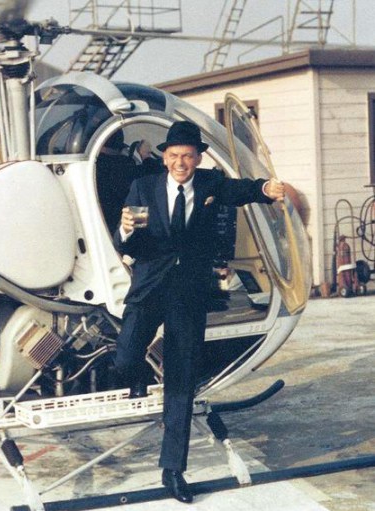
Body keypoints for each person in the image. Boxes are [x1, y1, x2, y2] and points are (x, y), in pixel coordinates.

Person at [113, 121, 284, 503]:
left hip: (188, 294)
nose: (180, 163)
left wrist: (265, 189)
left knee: (181, 382)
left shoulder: (209, 184)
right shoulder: (144, 187)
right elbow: (130, 242)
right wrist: (125, 231)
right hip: (149, 288)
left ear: (198, 158)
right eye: (174, 156)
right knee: (124, 359)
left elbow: (241, 190)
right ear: (165, 158)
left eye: (187, 156)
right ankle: (140, 375)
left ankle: (173, 470)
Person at [96, 130, 162, 233]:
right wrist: (145, 156)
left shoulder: (94, 166)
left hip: (103, 225)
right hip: (121, 228)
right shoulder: (122, 165)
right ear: (118, 148)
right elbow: (155, 178)